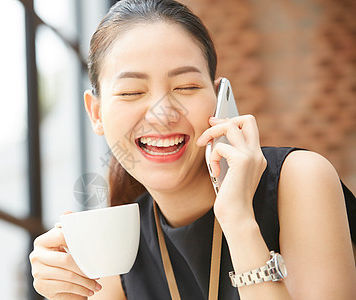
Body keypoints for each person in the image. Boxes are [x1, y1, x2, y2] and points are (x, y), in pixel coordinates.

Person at [29, 0, 356, 299]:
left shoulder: (300, 180)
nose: (162, 114)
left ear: (218, 98)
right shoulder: (119, 248)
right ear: (96, 114)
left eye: (186, 87)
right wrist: (67, 292)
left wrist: (238, 220)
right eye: (131, 92)